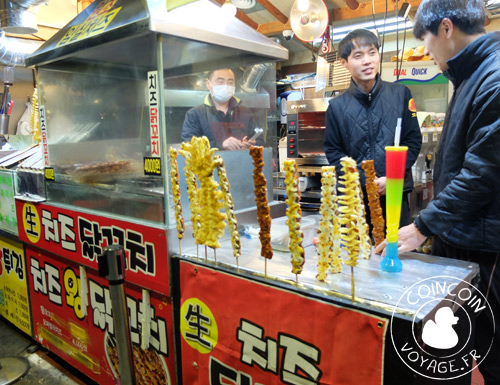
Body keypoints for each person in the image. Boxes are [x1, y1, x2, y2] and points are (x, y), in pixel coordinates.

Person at [374, 1, 500, 383]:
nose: (426, 52)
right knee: (454, 345)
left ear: (446, 28)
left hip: (484, 245)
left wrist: (423, 226)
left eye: (427, 40)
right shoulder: (469, 74)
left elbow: (483, 173)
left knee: (488, 350)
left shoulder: (493, 78)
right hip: (463, 236)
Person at [323, 29, 422, 228]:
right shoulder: (336, 106)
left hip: (394, 191)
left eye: (372, 53)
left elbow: (412, 141)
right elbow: (334, 152)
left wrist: (393, 177)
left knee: (395, 248)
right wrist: (363, 179)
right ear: (344, 63)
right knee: (356, 254)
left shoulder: (401, 94)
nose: (367, 61)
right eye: (358, 56)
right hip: (354, 197)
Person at [181, 68, 260, 150]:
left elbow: (260, 139)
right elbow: (189, 146)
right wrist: (220, 145)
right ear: (208, 83)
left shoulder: (245, 112)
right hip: (210, 162)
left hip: (240, 161)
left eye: (230, 82)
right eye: (220, 82)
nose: (226, 86)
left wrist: (252, 143)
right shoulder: (195, 114)